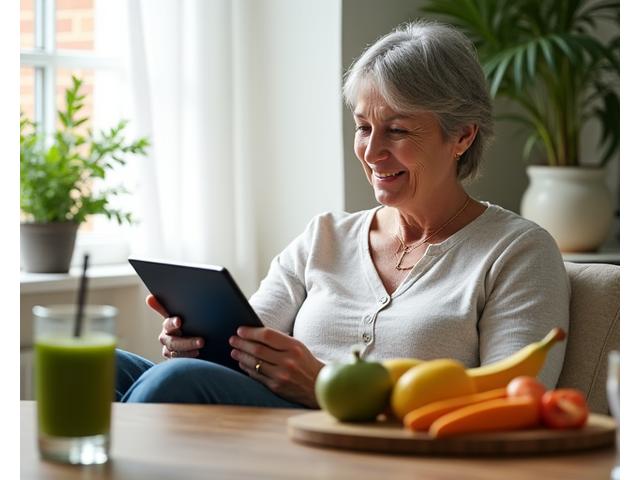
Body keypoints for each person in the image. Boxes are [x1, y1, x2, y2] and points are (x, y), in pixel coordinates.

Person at [116, 21, 570, 408]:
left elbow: (512, 402)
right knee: (109, 366)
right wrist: (196, 345)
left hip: (356, 448)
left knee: (169, 383)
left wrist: (323, 386)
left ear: (463, 136)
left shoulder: (518, 251)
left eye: (397, 130)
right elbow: (245, 347)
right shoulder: (326, 236)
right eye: (363, 127)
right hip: (268, 424)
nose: (372, 152)